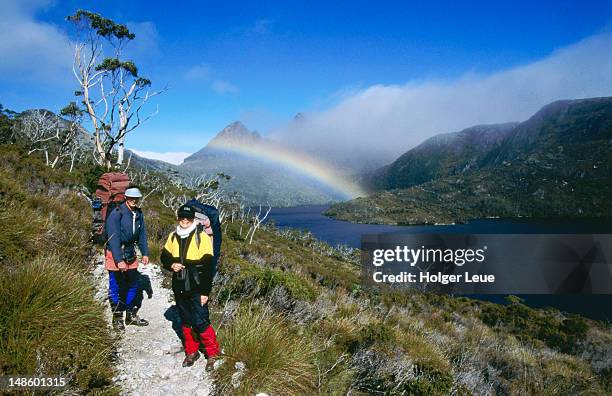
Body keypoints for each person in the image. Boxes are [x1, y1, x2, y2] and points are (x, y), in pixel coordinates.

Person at [161, 204, 220, 368]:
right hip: (179, 284)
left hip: (197, 285)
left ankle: (212, 354)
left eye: (188, 218)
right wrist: (171, 265)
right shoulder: (173, 236)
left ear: (193, 219)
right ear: (178, 218)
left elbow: (208, 267)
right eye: (182, 218)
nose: (185, 221)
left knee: (201, 320)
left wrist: (205, 292)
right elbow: (164, 257)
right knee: (186, 320)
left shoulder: (202, 236)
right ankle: (191, 351)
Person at [105, 187, 150, 329]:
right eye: (131, 198)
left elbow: (142, 234)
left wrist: (145, 252)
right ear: (126, 197)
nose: (134, 201)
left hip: (130, 251)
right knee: (115, 285)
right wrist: (119, 260)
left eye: (136, 198)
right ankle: (117, 316)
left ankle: (130, 314)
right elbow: (113, 238)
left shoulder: (138, 213)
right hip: (115, 252)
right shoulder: (117, 213)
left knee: (133, 283)